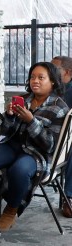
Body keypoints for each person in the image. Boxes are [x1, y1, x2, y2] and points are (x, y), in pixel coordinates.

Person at [0, 62, 68, 232]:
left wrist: (31, 121)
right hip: (14, 145)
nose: (35, 80)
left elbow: (50, 145)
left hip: (37, 153)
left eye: (41, 77)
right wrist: (9, 116)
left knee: (19, 170)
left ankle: (10, 212)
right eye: (33, 77)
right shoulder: (25, 99)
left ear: (53, 82)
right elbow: (6, 131)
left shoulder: (59, 108)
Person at [51, 56, 72, 218]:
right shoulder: (50, 87)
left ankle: (69, 197)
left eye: (54, 68)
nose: (49, 71)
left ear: (68, 72)